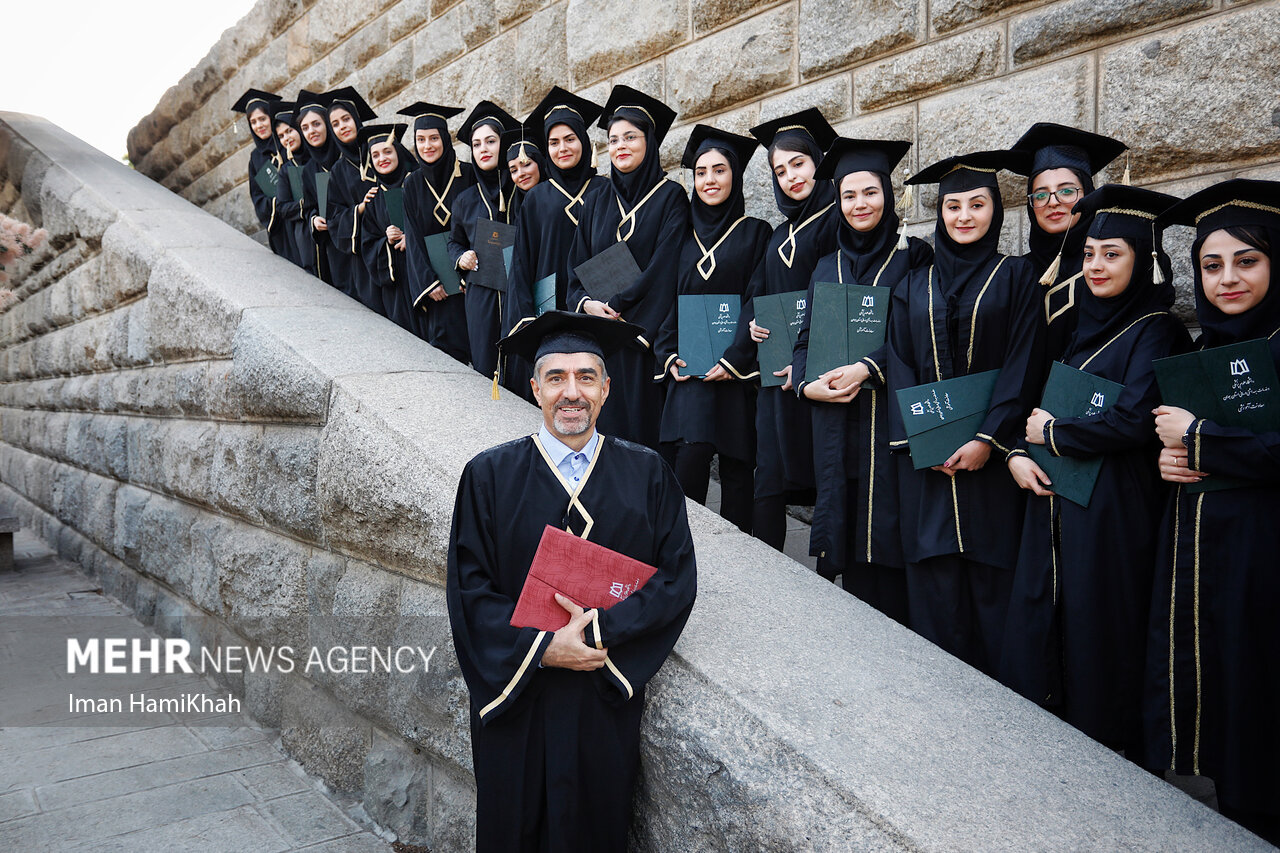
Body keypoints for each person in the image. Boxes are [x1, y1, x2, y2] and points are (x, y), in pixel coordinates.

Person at [447, 310, 697, 853]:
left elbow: (674, 580)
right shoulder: (487, 477)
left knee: (594, 831)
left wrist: (597, 636)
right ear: (534, 387)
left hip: (600, 700)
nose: (571, 392)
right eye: (556, 377)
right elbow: (469, 593)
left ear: (606, 389)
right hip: (517, 700)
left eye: (586, 376)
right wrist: (541, 648)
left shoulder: (648, 474)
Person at [1000, 185, 1189, 755]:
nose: (1097, 266)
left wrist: (1052, 434)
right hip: (1061, 495)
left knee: (1102, 622)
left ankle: (1109, 751)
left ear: (1144, 262)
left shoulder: (1156, 328)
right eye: (1089, 254)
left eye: (1113, 254)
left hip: (1116, 509)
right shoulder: (1082, 323)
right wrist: (1021, 450)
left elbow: (1135, 419)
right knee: (1053, 614)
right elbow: (1039, 398)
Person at [1144, 179, 1280, 845]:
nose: (1227, 278)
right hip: (1215, 561)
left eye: (1247, 260)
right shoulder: (1202, 349)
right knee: (1230, 713)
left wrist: (1200, 440)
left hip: (1269, 561)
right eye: (1211, 263)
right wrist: (1176, 460)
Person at [886, 150, 1042, 676]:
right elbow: (900, 362)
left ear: (996, 211)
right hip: (929, 466)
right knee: (934, 587)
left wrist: (988, 440)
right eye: (953, 206)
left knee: (993, 583)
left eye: (978, 204)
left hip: (992, 466)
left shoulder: (1018, 277)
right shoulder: (912, 284)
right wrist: (923, 441)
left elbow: (1021, 364)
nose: (964, 216)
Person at [794, 137, 933, 622]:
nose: (860, 205)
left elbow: (920, 336)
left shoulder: (914, 256)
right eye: (849, 196)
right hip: (835, 425)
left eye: (870, 193)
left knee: (884, 539)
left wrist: (868, 367)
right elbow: (804, 340)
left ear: (888, 196)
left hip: (887, 426)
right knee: (842, 533)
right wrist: (804, 384)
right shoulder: (825, 265)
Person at [721, 108, 840, 550]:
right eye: (780, 169)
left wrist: (811, 360)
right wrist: (750, 327)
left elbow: (835, 295)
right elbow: (758, 292)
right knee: (768, 471)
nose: (791, 176)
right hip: (775, 374)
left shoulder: (836, 219)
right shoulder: (777, 233)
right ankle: (767, 565)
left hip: (816, 372)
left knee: (823, 475)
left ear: (818, 162)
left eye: (799, 163)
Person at [655, 125, 771, 533]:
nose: (709, 180)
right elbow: (665, 300)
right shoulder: (679, 237)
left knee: (739, 469)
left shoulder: (756, 233)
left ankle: (739, 560)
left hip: (735, 372)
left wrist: (735, 357)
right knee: (688, 460)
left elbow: (757, 297)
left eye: (719, 170)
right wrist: (667, 355)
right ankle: (689, 550)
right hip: (689, 372)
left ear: (735, 177)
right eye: (701, 172)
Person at [566, 85, 689, 450]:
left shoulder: (671, 197)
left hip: (639, 341)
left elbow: (664, 269)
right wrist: (587, 305)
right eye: (613, 138)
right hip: (598, 339)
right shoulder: (597, 196)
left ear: (649, 142)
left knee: (638, 439)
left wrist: (621, 309)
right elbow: (576, 265)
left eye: (630, 137)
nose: (620, 145)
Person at [503, 87, 608, 400]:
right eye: (553, 142)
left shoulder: (605, 190)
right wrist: (525, 322)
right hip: (548, 311)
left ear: (584, 141)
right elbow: (521, 265)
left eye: (570, 139)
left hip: (596, 308)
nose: (562, 148)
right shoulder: (536, 198)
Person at [1009, 124, 1127, 364]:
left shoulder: (1107, 267)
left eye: (1067, 191)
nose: (1053, 202)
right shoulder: (1017, 273)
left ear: (1088, 194)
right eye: (1040, 195)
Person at [399, 101, 475, 357]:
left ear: (445, 138)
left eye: (433, 138)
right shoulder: (412, 184)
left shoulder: (468, 174)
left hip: (470, 283)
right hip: (439, 290)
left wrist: (472, 275)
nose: (427, 145)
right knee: (448, 355)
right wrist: (428, 283)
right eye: (420, 139)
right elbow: (414, 238)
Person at [449, 101, 518, 381]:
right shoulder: (465, 199)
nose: (484, 149)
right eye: (477, 145)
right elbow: (454, 242)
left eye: (491, 141)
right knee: (485, 365)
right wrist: (460, 257)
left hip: (518, 292)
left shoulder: (522, 188)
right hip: (481, 295)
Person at [319, 87, 381, 312]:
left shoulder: (382, 149)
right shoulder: (338, 171)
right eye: (335, 124)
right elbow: (334, 219)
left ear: (356, 119)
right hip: (365, 259)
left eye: (346, 119)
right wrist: (360, 209)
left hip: (399, 246)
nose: (342, 126)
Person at [357, 123, 417, 330]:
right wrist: (385, 239)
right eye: (375, 155)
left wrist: (413, 237)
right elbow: (367, 243)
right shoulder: (373, 198)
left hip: (425, 279)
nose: (382, 158)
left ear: (398, 153)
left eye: (387, 151)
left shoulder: (417, 184)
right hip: (397, 287)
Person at [231, 88, 286, 257]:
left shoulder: (288, 142)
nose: (258, 125)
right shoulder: (256, 159)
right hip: (281, 227)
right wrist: (280, 205)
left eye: (262, 119)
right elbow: (258, 197)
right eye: (253, 122)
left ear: (271, 117)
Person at [295, 90, 338, 284]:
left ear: (327, 124)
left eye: (316, 124)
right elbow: (308, 207)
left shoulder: (347, 157)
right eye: (305, 127)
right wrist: (314, 219)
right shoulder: (309, 169)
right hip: (334, 247)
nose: (311, 131)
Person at [269, 99, 314, 273]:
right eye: (281, 136)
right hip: (305, 235)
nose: (286, 138)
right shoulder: (287, 169)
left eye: (289, 131)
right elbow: (282, 207)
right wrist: (308, 203)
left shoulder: (319, 159)